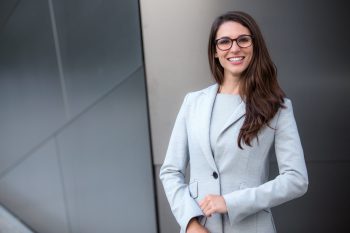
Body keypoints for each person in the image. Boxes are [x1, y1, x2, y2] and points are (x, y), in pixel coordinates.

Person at [159, 11, 308, 233]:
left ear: (254, 46)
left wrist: (231, 202)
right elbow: (170, 171)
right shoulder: (193, 103)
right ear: (215, 51)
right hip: (200, 228)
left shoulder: (278, 107)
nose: (235, 48)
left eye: (243, 40)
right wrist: (190, 223)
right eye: (225, 42)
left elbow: (296, 179)